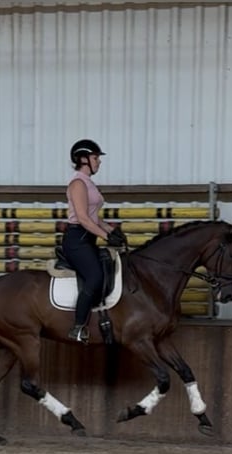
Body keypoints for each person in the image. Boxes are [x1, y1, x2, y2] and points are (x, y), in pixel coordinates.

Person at [61, 139, 127, 343]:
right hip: (76, 240)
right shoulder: (78, 184)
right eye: (95, 157)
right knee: (95, 276)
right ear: (83, 159)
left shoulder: (89, 183)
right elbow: (83, 218)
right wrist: (106, 236)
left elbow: (94, 217)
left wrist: (113, 231)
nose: (99, 161)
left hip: (88, 238)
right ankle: (78, 327)